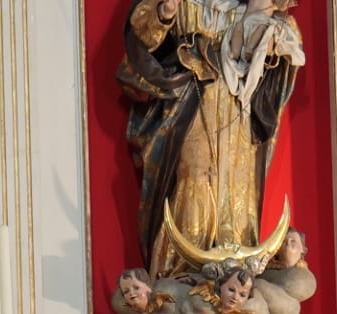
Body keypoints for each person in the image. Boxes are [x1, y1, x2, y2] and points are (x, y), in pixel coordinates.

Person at [119, 0, 303, 278]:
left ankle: (236, 276)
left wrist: (272, 40)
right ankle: (181, 274)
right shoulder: (188, 4)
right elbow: (141, 40)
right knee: (194, 175)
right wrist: (165, 13)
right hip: (193, 103)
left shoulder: (260, 5)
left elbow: (285, 52)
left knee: (236, 187)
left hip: (238, 108)